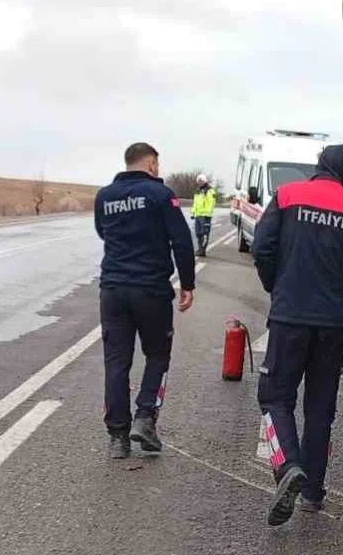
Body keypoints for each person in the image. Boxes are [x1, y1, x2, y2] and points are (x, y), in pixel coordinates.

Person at [251, 144, 343, 526]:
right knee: (320, 407)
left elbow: (262, 247)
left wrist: (276, 286)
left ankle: (288, 465)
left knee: (275, 396)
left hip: (290, 316)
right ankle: (311, 492)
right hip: (334, 323)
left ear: (319, 166)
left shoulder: (287, 195)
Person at [94, 142, 197, 459]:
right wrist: (188, 284)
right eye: (157, 164)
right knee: (157, 354)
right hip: (151, 290)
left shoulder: (104, 196)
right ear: (151, 164)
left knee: (116, 362)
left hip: (113, 290)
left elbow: (102, 232)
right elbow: (181, 240)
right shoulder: (160, 195)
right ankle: (145, 417)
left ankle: (118, 437)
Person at [191, 173, 217, 257]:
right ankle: (199, 249)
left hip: (205, 216)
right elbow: (195, 203)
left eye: (201, 181)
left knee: (204, 234)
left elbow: (211, 203)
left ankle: (202, 250)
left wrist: (207, 213)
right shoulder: (197, 191)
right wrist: (193, 213)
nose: (199, 182)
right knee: (198, 233)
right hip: (198, 215)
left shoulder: (209, 191)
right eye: (198, 181)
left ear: (205, 181)